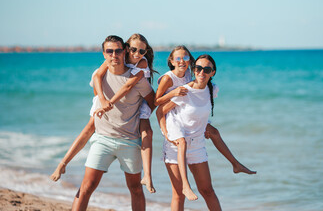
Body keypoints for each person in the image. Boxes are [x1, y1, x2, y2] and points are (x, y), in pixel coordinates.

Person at [50, 34, 157, 193]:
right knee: (89, 128)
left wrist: (110, 103)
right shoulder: (115, 57)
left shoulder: (141, 64)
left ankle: (147, 175)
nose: (136, 53)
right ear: (127, 48)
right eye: (133, 49)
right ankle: (63, 163)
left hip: (139, 103)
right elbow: (98, 76)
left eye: (141, 51)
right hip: (107, 100)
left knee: (147, 131)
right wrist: (102, 100)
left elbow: (127, 87)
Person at [157, 54, 255, 210]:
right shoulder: (185, 91)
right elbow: (160, 110)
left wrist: (205, 127)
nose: (202, 72)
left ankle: (236, 165)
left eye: (206, 69)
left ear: (213, 72)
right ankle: (186, 186)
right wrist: (166, 132)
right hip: (176, 145)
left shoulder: (212, 90)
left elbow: (199, 114)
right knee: (178, 194)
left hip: (197, 145)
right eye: (198, 68)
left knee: (208, 191)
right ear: (194, 70)